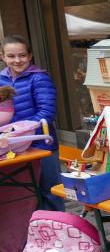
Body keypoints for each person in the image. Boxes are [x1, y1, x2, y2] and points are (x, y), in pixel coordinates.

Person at [0, 35, 65, 211]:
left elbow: (47, 112)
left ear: (29, 56)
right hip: (12, 146)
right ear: (2, 56)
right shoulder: (1, 79)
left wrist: (19, 131)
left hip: (41, 144)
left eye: (22, 55)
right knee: (25, 193)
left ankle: (57, 232)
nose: (17, 60)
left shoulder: (39, 78)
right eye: (11, 56)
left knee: (50, 191)